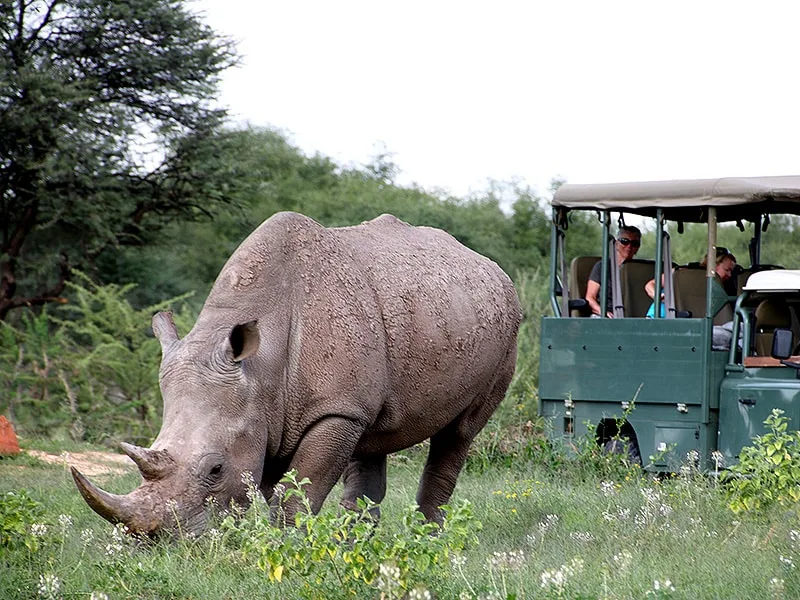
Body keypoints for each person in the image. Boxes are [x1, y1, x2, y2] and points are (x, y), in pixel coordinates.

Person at [585, 225, 642, 317]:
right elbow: (590, 297)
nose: (629, 246)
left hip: (633, 315)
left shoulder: (639, 269)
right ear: (616, 243)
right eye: (624, 241)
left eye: (634, 243)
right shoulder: (602, 266)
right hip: (607, 315)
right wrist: (603, 312)